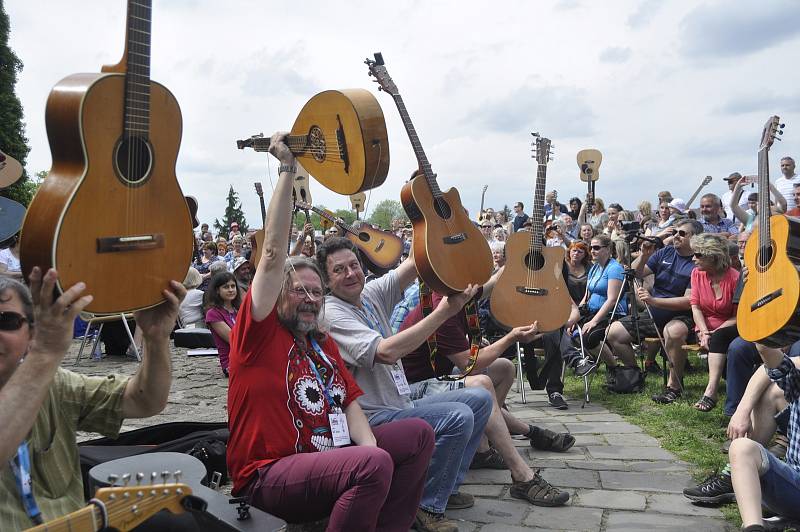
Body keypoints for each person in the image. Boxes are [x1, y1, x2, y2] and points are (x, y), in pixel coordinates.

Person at [226, 133, 435, 532]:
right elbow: (271, 256)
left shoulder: (321, 343)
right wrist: (288, 169)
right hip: (269, 474)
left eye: (317, 292)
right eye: (299, 290)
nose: (309, 298)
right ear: (277, 296)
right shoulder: (257, 334)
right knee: (373, 462)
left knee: (418, 435)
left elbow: (351, 405)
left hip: (329, 459)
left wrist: (373, 453)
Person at [317, 235, 492, 532]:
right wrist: (444, 312)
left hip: (401, 401)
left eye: (354, 265)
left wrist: (433, 218)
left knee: (480, 398)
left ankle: (442, 490)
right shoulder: (331, 312)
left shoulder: (369, 293)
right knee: (458, 416)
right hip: (373, 416)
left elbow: (415, 261)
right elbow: (386, 352)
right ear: (325, 280)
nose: (350, 274)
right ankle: (426, 506)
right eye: (339, 270)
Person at [0, 270, 185, 530]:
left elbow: (144, 401)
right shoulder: (46, 369)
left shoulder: (56, 385)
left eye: (5, 321)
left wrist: (156, 338)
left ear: (30, 332)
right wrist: (44, 354)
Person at [399, 293, 572, 507]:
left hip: (435, 375)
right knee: (481, 384)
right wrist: (510, 338)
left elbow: (492, 284)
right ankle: (521, 472)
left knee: (505, 368)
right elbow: (469, 364)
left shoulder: (460, 295)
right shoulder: (442, 306)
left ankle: (482, 448)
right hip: (411, 389)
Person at [602, 220, 701, 382]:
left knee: (673, 332)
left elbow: (688, 301)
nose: (676, 236)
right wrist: (643, 256)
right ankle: (633, 375)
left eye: (682, 233)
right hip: (654, 313)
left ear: (695, 238)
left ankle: (674, 383)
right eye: (674, 232)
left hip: (682, 316)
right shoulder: (665, 252)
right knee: (612, 332)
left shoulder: (698, 261)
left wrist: (653, 301)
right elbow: (634, 273)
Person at [729, 343, 800, 531]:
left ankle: (787, 521)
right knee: (741, 448)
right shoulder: (797, 382)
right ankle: (754, 527)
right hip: (794, 485)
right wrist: (760, 322)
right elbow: (771, 358)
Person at [687, 233, 739, 412]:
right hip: (703, 327)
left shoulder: (735, 278)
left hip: (729, 326)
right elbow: (695, 306)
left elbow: (738, 316)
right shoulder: (696, 274)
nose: (693, 259)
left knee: (720, 336)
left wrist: (713, 333)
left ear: (713, 256)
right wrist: (703, 331)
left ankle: (711, 391)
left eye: (698, 255)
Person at [577, 234, 626, 367]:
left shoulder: (615, 268)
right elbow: (586, 296)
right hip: (593, 312)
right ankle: (580, 362)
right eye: (591, 247)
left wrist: (593, 322)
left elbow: (612, 300)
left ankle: (613, 367)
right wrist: (576, 315)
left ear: (608, 249)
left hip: (612, 315)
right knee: (567, 328)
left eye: (596, 248)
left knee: (589, 337)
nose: (592, 251)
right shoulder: (594, 268)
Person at [205, 271, 241, 377]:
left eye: (233, 286)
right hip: (231, 364)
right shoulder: (213, 314)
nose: (230, 290)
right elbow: (233, 339)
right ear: (217, 290)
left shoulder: (238, 310)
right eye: (226, 287)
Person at [565, 240, 590, 305]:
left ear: (585, 255)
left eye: (580, 252)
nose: (576, 253)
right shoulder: (562, 266)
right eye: (574, 250)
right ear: (569, 251)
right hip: (565, 303)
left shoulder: (590, 266)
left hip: (584, 304)